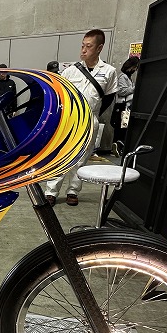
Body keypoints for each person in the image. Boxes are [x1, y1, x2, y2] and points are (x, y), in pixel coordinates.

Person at [45, 29, 117, 206]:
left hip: (90, 120)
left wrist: (93, 113)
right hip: (69, 120)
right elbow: (60, 95)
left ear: (99, 48)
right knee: (60, 155)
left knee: (81, 158)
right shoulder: (70, 71)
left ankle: (73, 191)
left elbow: (109, 97)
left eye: (88, 46)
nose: (83, 50)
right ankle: (51, 192)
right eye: (82, 46)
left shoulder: (109, 72)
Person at [111, 56, 140, 157]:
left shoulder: (128, 77)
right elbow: (121, 91)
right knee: (121, 127)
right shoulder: (122, 77)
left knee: (123, 127)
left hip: (125, 106)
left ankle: (118, 146)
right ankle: (117, 145)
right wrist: (134, 88)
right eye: (135, 67)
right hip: (122, 106)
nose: (135, 70)